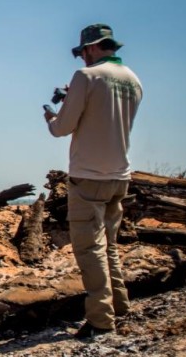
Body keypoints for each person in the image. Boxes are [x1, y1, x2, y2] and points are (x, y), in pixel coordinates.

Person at [44, 23, 143, 338]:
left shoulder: (85, 77)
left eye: (83, 52)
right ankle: (120, 304)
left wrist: (51, 116)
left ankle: (101, 320)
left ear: (90, 48)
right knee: (109, 245)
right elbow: (106, 115)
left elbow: (63, 128)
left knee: (90, 249)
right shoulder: (133, 80)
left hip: (88, 175)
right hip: (120, 174)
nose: (82, 59)